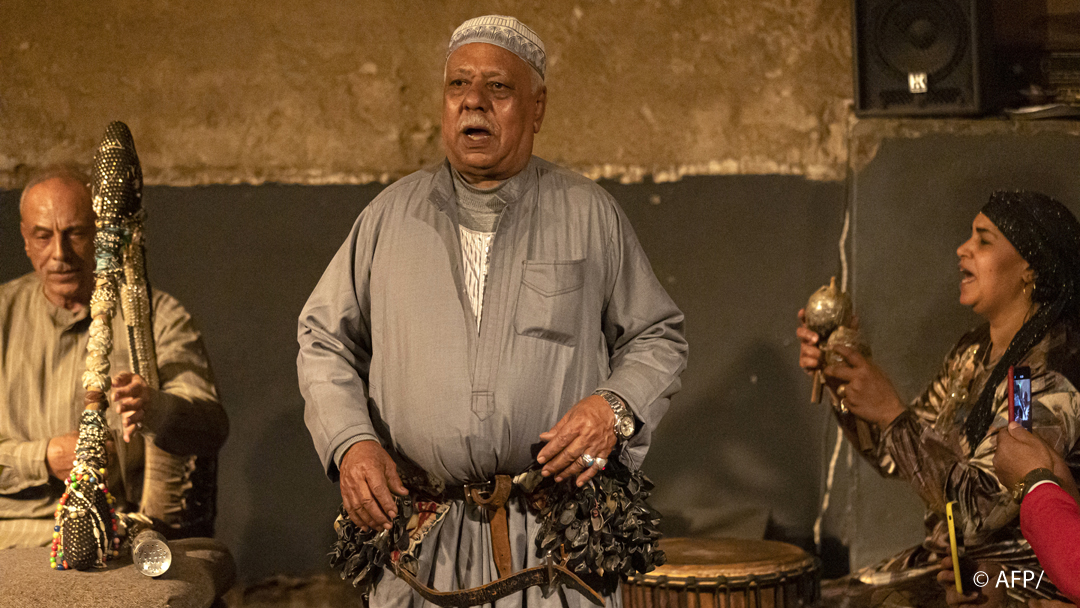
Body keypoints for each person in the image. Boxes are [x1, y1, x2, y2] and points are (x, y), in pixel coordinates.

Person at [298, 15, 687, 608]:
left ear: (537, 109)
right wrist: (350, 442)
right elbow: (323, 339)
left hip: (555, 542)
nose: (473, 102)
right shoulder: (386, 219)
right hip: (422, 540)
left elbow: (657, 336)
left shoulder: (588, 214)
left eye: (497, 88)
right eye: (458, 85)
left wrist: (614, 408)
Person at [796, 190, 1080, 606]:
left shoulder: (1041, 374)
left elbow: (979, 509)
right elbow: (901, 458)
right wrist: (848, 382)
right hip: (957, 565)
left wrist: (891, 413)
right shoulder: (974, 351)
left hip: (1017, 582)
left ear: (1029, 269)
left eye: (984, 240)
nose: (962, 248)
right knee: (813, 596)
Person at [0, 166, 228, 548]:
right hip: (11, 534)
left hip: (118, 535)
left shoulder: (152, 316)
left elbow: (210, 426)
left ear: (102, 236)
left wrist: (158, 409)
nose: (59, 253)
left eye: (75, 233)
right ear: (25, 239)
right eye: (43, 236)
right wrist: (42, 457)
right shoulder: (4, 314)